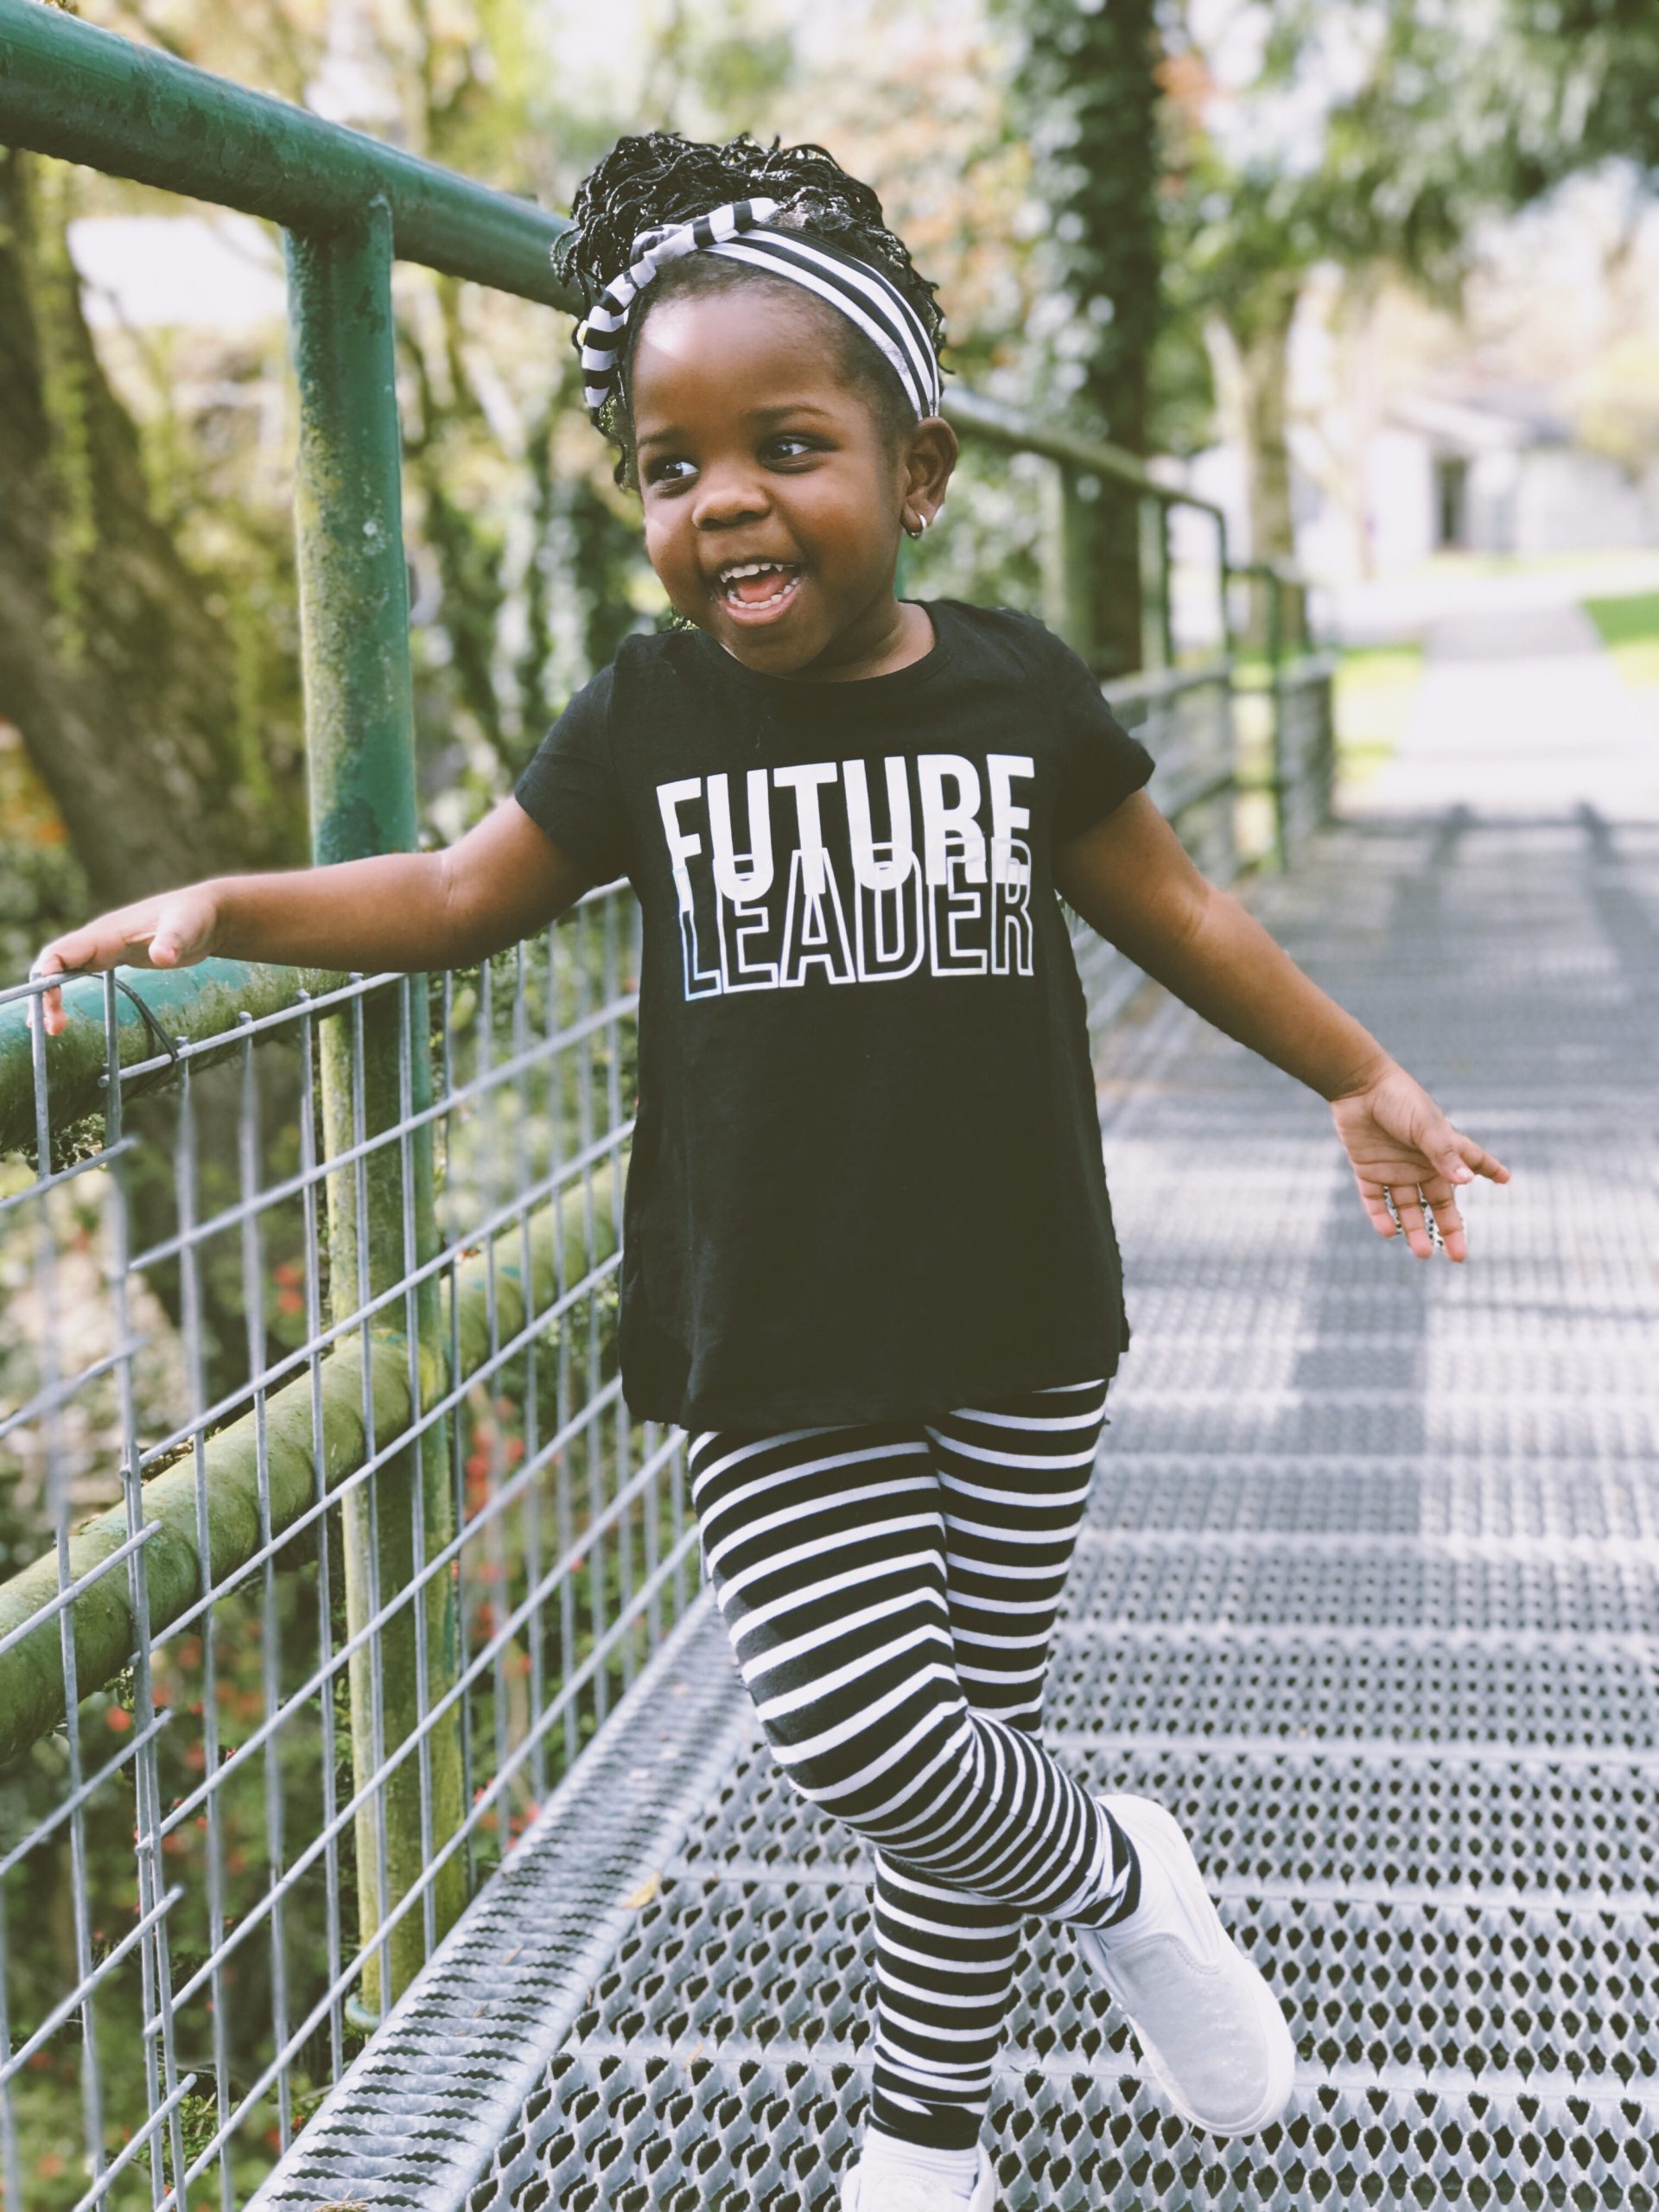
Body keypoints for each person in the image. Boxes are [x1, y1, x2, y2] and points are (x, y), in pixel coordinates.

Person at [35, 132, 1510, 2212]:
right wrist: (227, 903)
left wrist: (1358, 1071)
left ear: (919, 472)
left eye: (786, 447)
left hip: (1016, 1304)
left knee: (968, 1728)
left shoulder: (1015, 689)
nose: (721, 497)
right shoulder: (649, 713)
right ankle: (1124, 1869)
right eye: (671, 465)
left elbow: (1179, 908)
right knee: (856, 1725)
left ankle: (923, 2141)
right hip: (771, 1319)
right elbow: (456, 892)